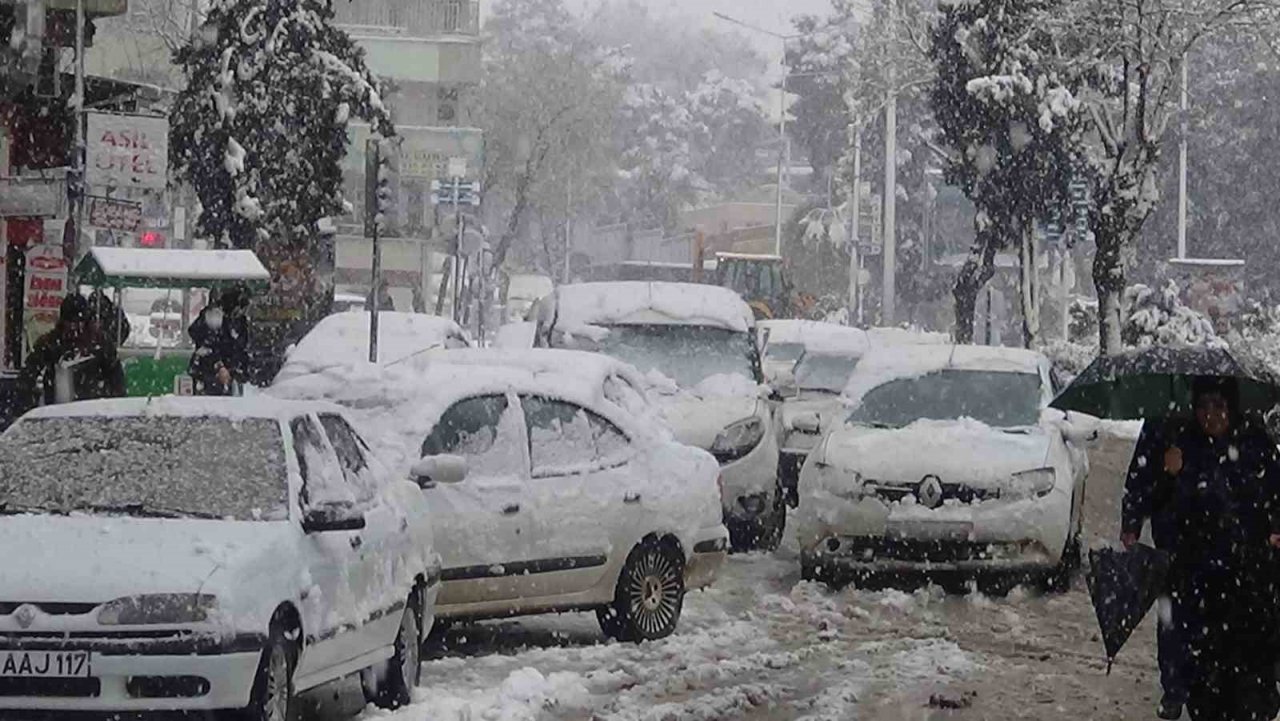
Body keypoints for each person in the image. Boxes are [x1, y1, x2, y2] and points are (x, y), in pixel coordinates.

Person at [1166, 377, 1280, 721]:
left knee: (1250, 678)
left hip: (1252, 580)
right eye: (1202, 407)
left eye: (1218, 406)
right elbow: (1173, 517)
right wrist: (1173, 475)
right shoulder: (1186, 446)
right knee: (1205, 681)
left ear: (1231, 407)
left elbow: (1274, 493)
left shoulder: (1256, 443)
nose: (1209, 415)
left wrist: (1274, 528)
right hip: (1201, 581)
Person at [1120, 419, 1189, 720]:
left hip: (1220, 539)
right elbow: (1140, 471)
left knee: (1215, 612)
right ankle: (1174, 688)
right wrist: (1131, 520)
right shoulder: (1163, 421)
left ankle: (1208, 684)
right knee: (1170, 611)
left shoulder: (1233, 415)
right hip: (1172, 534)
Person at [18, 293, 126, 408]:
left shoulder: (101, 344)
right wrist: (28, 401)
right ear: (63, 321)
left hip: (91, 410)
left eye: (78, 322)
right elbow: (28, 374)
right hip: (57, 410)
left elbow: (116, 379)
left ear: (86, 321)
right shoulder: (50, 343)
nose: (74, 327)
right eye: (70, 322)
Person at [188, 285, 250, 396]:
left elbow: (241, 346)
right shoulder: (213, 317)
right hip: (209, 372)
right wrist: (219, 366)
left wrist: (240, 369)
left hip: (230, 372)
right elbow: (207, 345)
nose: (242, 311)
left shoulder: (239, 321)